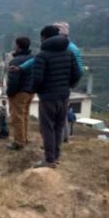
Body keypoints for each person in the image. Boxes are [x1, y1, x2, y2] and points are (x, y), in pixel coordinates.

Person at [32, 25, 81, 168]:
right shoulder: (68, 52)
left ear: (44, 37)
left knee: (47, 127)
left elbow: (37, 79)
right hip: (64, 95)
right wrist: (68, 86)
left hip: (48, 97)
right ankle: (56, 156)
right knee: (59, 127)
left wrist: (38, 90)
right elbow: (77, 73)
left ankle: (49, 160)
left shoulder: (42, 55)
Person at [6, 37, 34, 151]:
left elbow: (13, 80)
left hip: (19, 92)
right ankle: (25, 138)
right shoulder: (32, 59)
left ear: (18, 46)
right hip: (30, 91)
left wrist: (10, 93)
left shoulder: (16, 61)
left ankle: (18, 142)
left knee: (16, 117)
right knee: (25, 115)